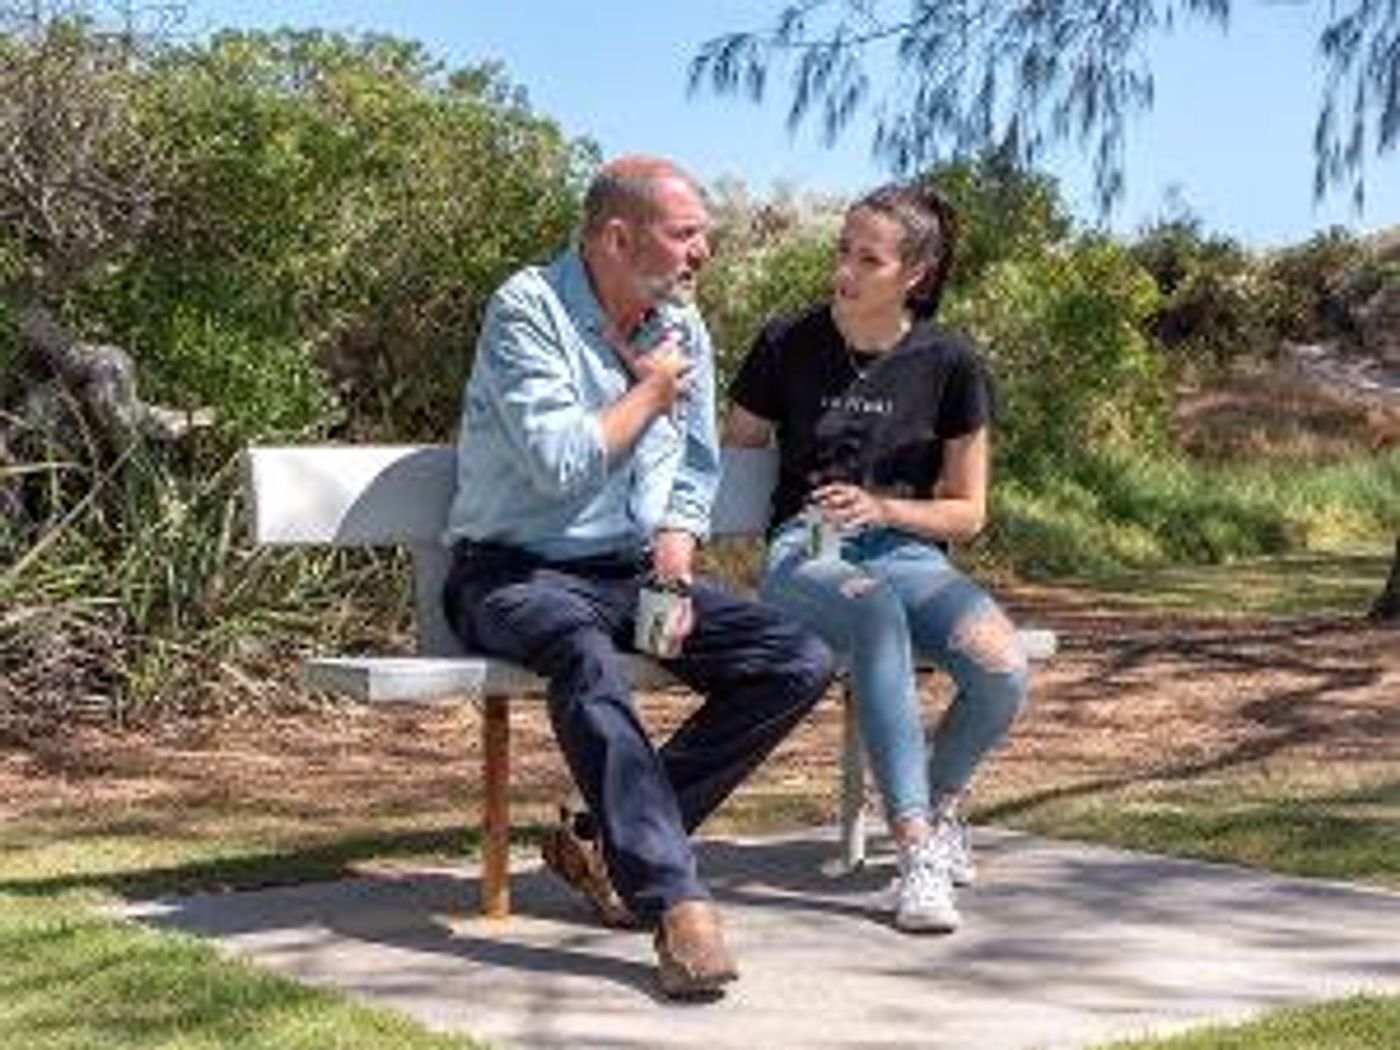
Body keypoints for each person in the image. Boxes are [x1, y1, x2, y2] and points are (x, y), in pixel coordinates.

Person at [441, 156, 834, 998]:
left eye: (704, 236)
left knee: (795, 658)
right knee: (584, 656)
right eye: (686, 234)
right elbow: (560, 464)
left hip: (627, 574)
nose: (703, 252)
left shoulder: (679, 325)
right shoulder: (528, 309)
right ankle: (675, 904)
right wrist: (652, 388)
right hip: (510, 577)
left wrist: (677, 555)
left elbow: (693, 467)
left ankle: (600, 838)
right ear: (619, 237)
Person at [724, 184, 1030, 934]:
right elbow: (732, 457)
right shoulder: (785, 343)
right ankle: (917, 854)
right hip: (812, 547)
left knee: (1002, 667)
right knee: (876, 613)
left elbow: (969, 511)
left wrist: (887, 508)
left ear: (916, 273)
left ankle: (941, 801)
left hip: (908, 551)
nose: (846, 272)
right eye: (843, 251)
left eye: (869, 258)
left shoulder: (952, 363)